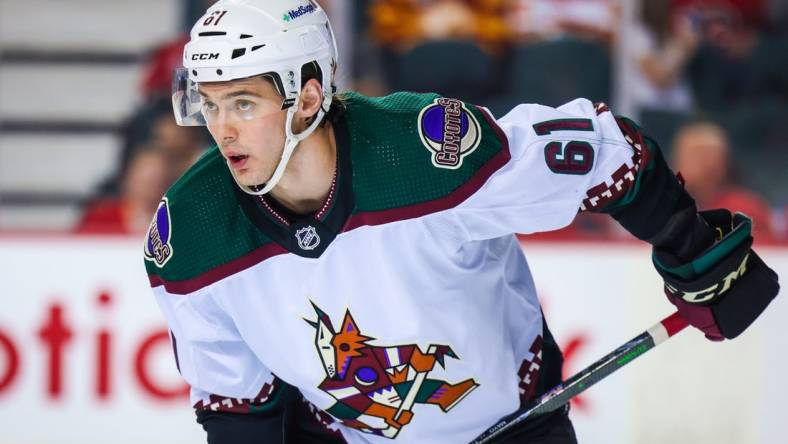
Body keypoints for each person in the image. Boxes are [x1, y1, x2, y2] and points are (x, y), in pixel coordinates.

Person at [144, 1, 780, 443]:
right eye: (211, 103)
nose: (221, 129)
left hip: (513, 428)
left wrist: (690, 252)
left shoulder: (427, 156)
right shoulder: (193, 235)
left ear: (308, 96)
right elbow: (240, 412)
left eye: (245, 102)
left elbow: (607, 151)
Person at [671, 121, 774, 241]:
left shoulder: (747, 210)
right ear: (677, 160)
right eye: (698, 155)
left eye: (713, 156)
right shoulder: (657, 206)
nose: (708, 164)